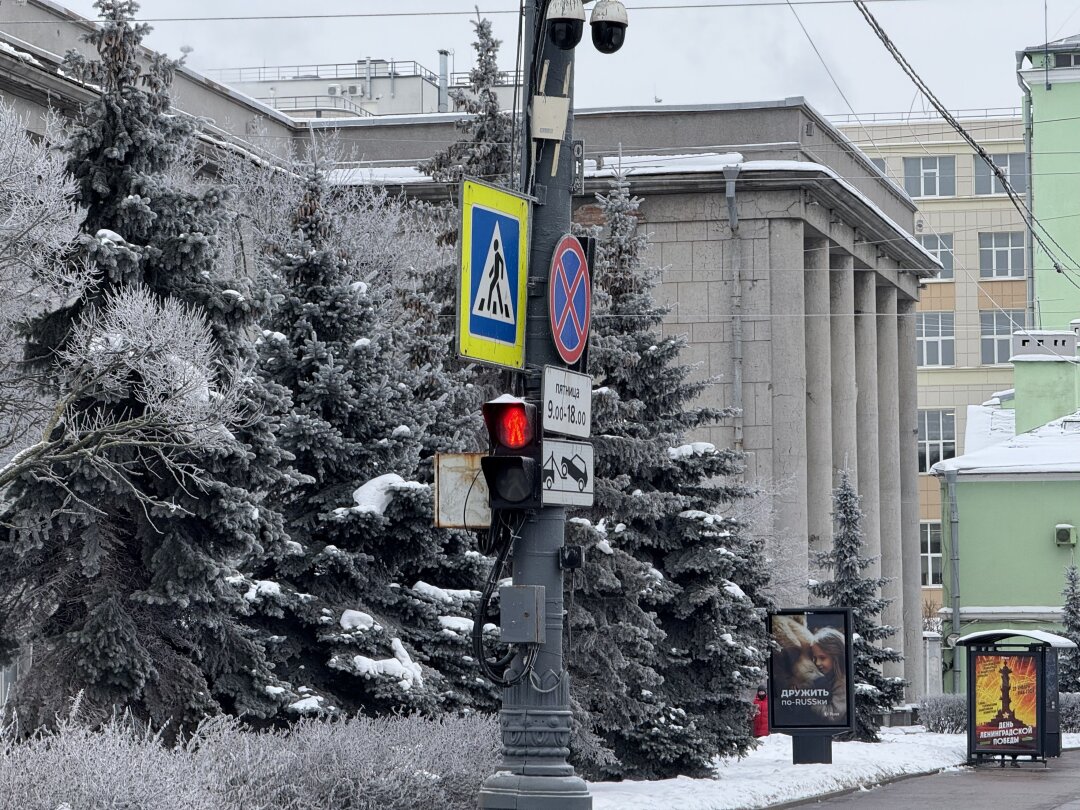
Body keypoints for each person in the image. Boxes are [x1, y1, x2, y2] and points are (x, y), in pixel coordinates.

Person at [810, 627, 848, 722]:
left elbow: (834, 714)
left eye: (822, 658)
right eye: (815, 658)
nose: (817, 663)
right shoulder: (828, 676)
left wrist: (809, 701)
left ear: (836, 657)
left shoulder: (842, 681)